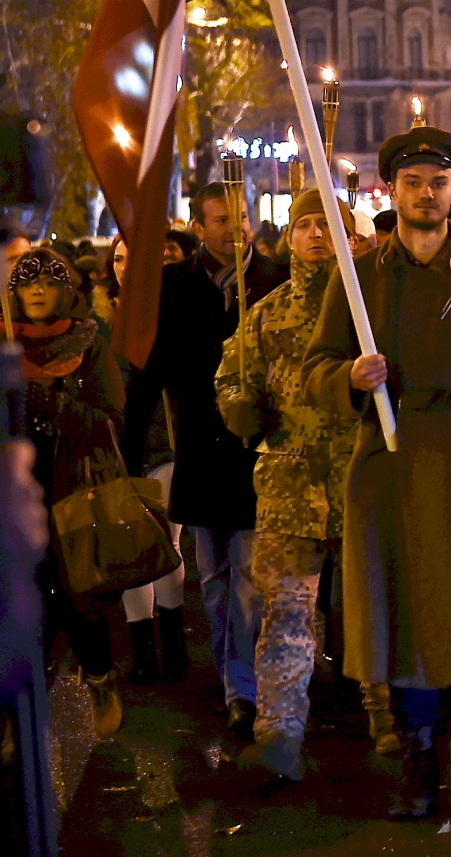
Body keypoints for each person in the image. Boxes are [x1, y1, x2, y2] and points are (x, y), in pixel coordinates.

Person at [302, 127, 451, 824]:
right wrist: (349, 376)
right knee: (400, 617)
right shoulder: (360, 278)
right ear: (394, 190)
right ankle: (416, 765)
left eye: (438, 183)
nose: (426, 194)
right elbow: (314, 367)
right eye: (413, 182)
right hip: (384, 462)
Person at [123, 182, 286, 742]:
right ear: (198, 227)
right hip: (197, 445)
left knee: (247, 579)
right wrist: (130, 448)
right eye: (220, 219)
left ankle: (243, 690)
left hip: (253, 451)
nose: (235, 228)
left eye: (240, 216)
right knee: (213, 578)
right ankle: (229, 676)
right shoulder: (175, 285)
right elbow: (151, 369)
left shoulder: (272, 279)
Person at [215, 190, 366, 782]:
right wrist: (239, 408)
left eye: (326, 225)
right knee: (286, 613)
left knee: (372, 609)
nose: (314, 235)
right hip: (289, 484)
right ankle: (279, 735)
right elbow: (230, 377)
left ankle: (394, 728)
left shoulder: (367, 308)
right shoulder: (267, 312)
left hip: (360, 479)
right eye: (304, 225)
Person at [14, 250, 126, 737]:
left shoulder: (91, 345)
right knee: (24, 602)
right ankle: (17, 716)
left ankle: (99, 675)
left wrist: (45, 399)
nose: (37, 288)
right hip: (15, 499)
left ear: (67, 290)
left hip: (76, 492)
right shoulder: (2, 346)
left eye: (48, 279)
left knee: (76, 598)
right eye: (26, 280)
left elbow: (110, 424)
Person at [105, 235, 188, 686]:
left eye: (134, 259)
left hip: (164, 445)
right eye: (117, 259)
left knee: (164, 543)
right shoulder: (99, 321)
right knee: (130, 548)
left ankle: (173, 642)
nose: (124, 268)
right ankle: (144, 651)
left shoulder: (170, 312)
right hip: (116, 452)